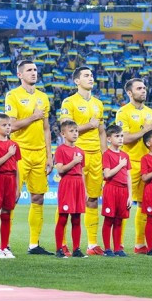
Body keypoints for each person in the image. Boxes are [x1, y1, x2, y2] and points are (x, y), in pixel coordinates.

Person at [5, 60, 53, 255]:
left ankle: (34, 244)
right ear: (20, 75)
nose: (34, 73)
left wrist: (49, 155)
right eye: (29, 70)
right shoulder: (13, 96)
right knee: (13, 197)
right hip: (20, 153)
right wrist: (33, 117)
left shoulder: (43, 97)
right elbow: (11, 125)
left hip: (40, 153)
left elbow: (47, 128)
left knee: (38, 197)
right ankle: (4, 243)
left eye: (35, 70)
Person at [59, 66, 106, 256]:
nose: (91, 78)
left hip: (95, 156)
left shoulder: (98, 104)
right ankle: (61, 243)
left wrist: (105, 156)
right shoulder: (69, 102)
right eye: (86, 75)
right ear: (77, 81)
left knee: (93, 199)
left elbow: (101, 131)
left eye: (92, 75)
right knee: (67, 203)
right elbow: (66, 127)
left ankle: (92, 244)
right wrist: (89, 125)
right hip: (76, 156)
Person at [115, 78, 152, 254]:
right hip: (129, 164)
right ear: (130, 93)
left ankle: (140, 244)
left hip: (147, 164)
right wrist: (144, 131)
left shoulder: (151, 114)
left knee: (144, 204)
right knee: (123, 204)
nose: (143, 90)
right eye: (139, 88)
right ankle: (118, 244)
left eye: (144, 87)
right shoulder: (122, 112)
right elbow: (123, 138)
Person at [0, 113, 21, 259]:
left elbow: (16, 167)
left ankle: (5, 247)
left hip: (10, 180)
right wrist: (8, 154)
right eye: (4, 125)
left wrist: (18, 187)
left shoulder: (14, 145)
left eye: (9, 125)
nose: (8, 128)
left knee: (6, 214)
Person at [54, 120, 87, 258]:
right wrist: (73, 161)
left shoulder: (80, 151)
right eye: (71, 131)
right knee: (63, 217)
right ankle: (59, 249)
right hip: (67, 183)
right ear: (63, 133)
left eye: (76, 131)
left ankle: (77, 249)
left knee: (77, 217)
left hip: (78, 183)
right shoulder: (60, 150)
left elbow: (82, 171)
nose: (75, 133)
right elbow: (60, 170)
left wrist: (84, 190)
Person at [101, 124, 131, 257]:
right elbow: (107, 175)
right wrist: (120, 165)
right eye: (117, 136)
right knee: (109, 219)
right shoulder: (107, 154)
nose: (120, 138)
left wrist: (130, 195)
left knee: (119, 220)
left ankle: (118, 248)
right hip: (111, 189)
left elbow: (128, 176)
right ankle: (107, 249)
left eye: (121, 136)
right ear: (109, 139)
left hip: (123, 191)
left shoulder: (125, 155)